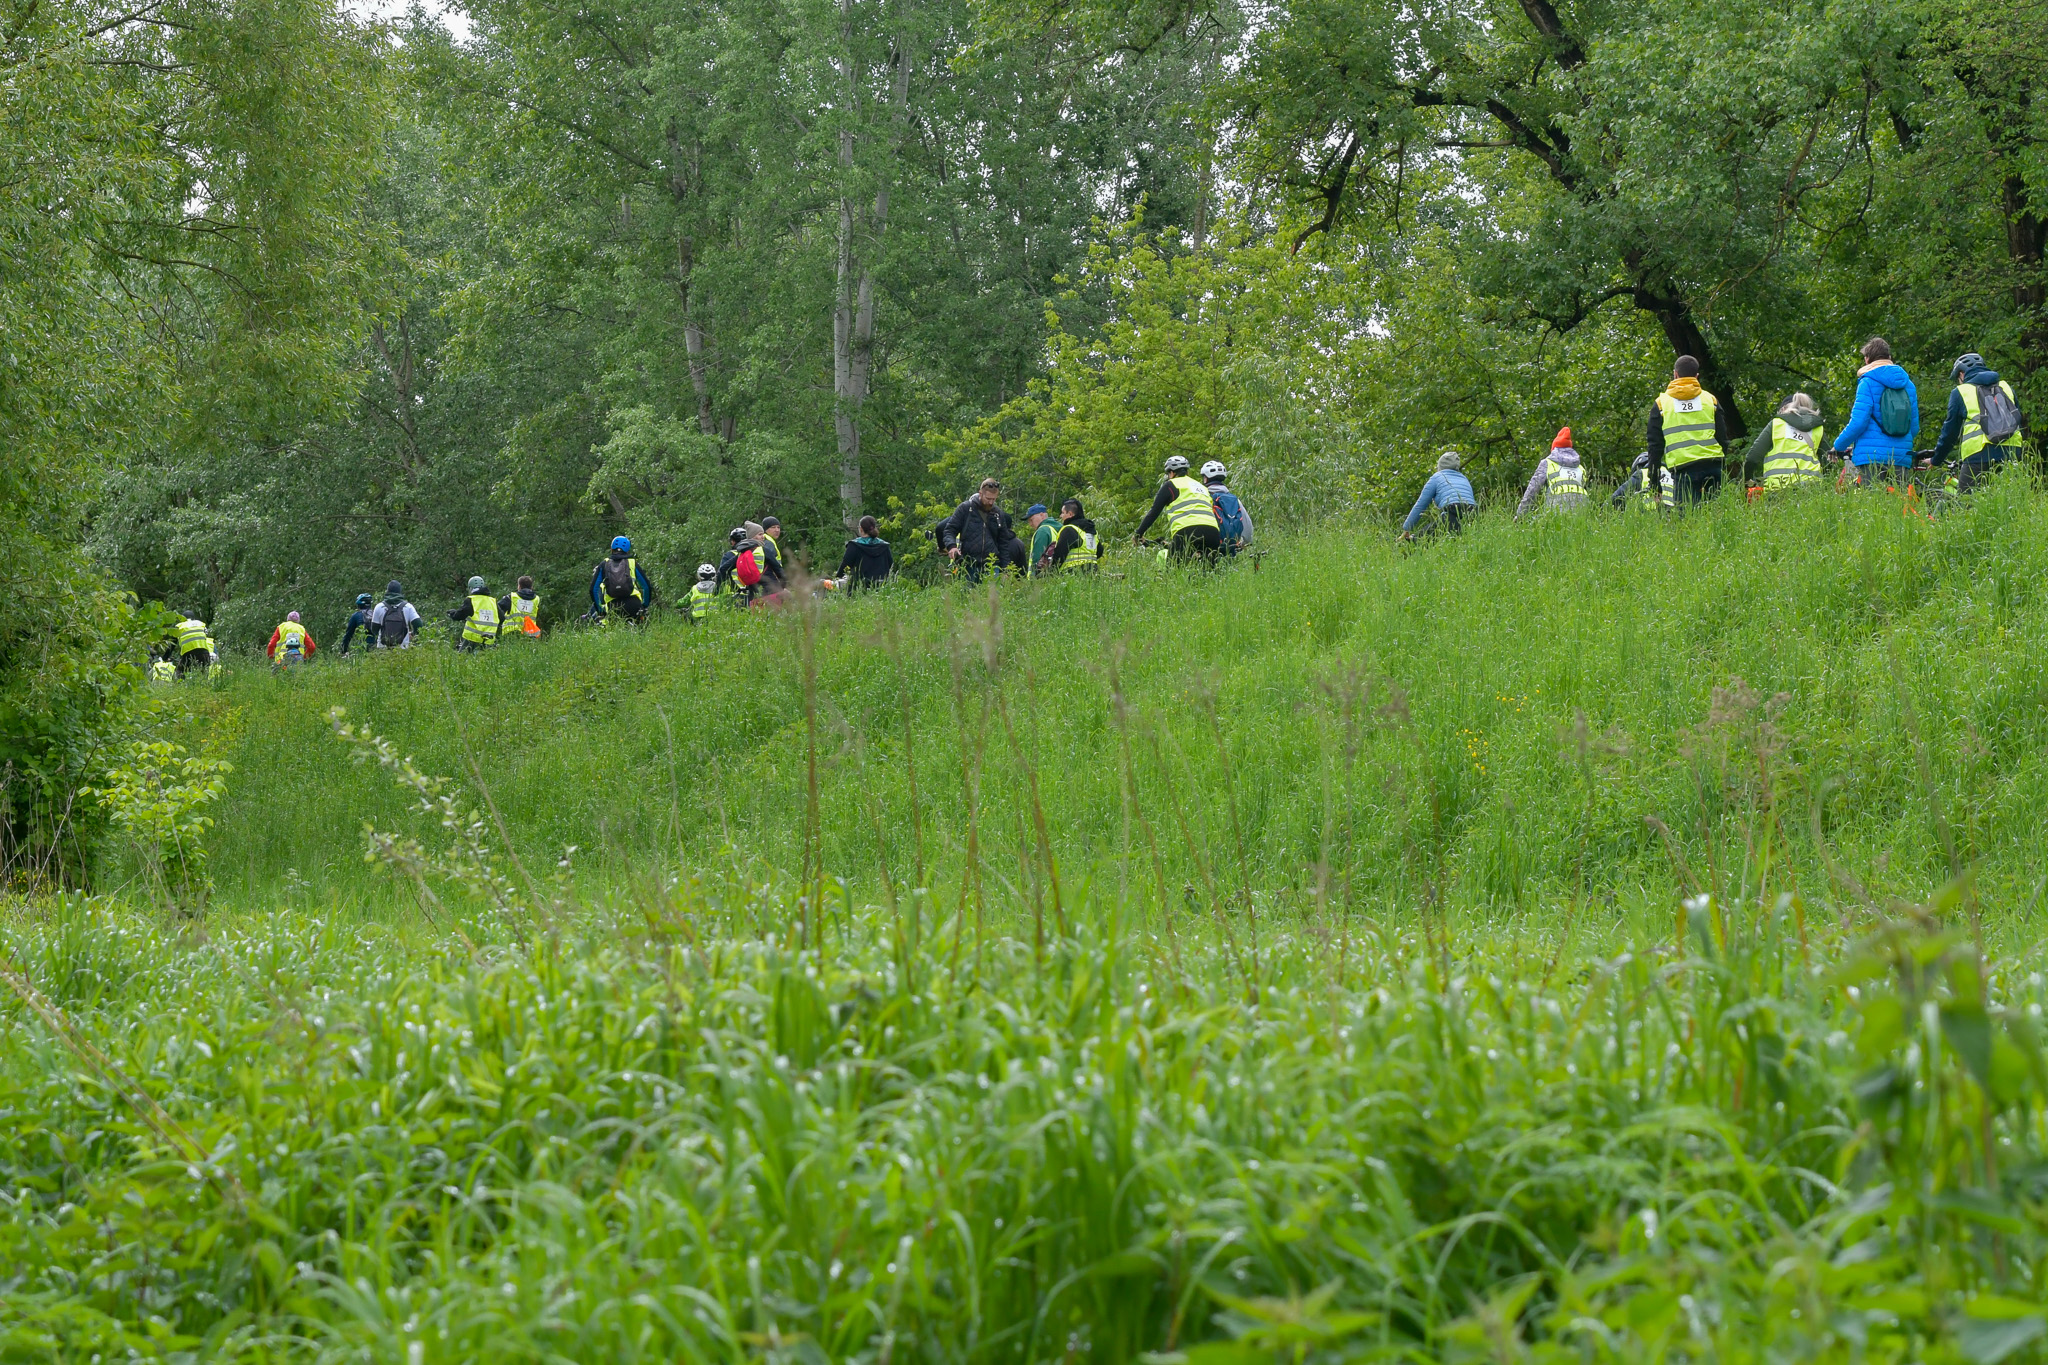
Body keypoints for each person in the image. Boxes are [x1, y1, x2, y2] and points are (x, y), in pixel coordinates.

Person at [1929, 352, 2027, 494]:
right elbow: (2018, 420)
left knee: (1966, 502)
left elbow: (1950, 432)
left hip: (1978, 455)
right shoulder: (2006, 387)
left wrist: (1936, 459)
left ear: (1961, 374)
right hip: (2011, 453)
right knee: (2010, 501)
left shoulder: (1961, 392)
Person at [1831, 337, 1919, 488]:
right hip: (1901, 457)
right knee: (1900, 501)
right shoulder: (1908, 385)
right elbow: (1914, 427)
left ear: (1867, 359)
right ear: (1889, 357)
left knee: (1873, 500)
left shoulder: (1867, 382)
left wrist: (1838, 446)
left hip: (1871, 458)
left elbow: (1858, 422)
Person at [1648, 356, 1733, 504]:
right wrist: (1721, 464)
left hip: (1683, 470)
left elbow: (1655, 447)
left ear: (1675, 374)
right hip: (1713, 465)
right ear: (1696, 376)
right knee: (1716, 514)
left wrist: (1655, 484)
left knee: (1687, 517)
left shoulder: (1661, 404)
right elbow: (1723, 438)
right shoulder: (1710, 400)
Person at [1131, 455, 1222, 562]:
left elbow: (1153, 512)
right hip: (1212, 532)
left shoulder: (1170, 485)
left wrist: (1138, 534)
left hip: (1186, 531)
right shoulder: (1202, 487)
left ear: (1172, 473)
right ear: (1187, 472)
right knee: (1210, 569)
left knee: (1174, 569)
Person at [938, 477, 1027, 581]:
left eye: (994, 499)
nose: (991, 502)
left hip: (992, 566)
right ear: (980, 494)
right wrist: (952, 546)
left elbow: (1003, 543)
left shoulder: (998, 514)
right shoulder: (966, 509)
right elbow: (949, 530)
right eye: (988, 499)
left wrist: (1006, 569)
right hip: (968, 565)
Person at [1743, 392, 1827, 492]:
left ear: (1783, 409)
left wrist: (1748, 484)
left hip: (1777, 489)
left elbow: (1752, 458)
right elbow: (1829, 460)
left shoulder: (1776, 424)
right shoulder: (1818, 428)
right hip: (1811, 489)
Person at [1401, 451, 1478, 538]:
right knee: (1458, 537)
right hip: (1472, 512)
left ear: (1440, 466)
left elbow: (1421, 505)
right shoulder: (1464, 478)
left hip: (1451, 510)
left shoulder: (1436, 477)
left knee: (1423, 538)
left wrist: (1407, 528)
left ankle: (1412, 541)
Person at [1516, 428, 1587, 517]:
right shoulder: (1580, 467)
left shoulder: (1547, 463)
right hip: (1582, 510)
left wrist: (1520, 515)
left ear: (1554, 449)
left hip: (1557, 510)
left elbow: (1532, 490)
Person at [591, 535, 655, 622]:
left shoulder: (604, 564)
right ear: (627, 550)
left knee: (615, 630)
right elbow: (647, 586)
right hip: (634, 605)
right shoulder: (632, 562)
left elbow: (593, 589)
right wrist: (644, 606)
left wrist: (600, 610)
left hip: (613, 607)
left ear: (611, 549)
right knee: (641, 629)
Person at [1202, 462, 1254, 555]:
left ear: (1205, 479)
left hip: (1207, 549)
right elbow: (1248, 528)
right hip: (1231, 549)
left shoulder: (1203, 497)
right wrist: (1243, 543)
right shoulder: (1234, 499)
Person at [1043, 498, 1103, 570]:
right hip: (1093, 571)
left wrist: (1051, 571)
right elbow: (1099, 551)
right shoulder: (1090, 531)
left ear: (1070, 514)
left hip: (1072, 571)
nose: (1061, 516)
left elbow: (1059, 555)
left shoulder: (1069, 530)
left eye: (1063, 513)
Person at [836, 515, 895, 587]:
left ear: (861, 529)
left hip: (859, 586)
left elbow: (845, 566)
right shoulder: (884, 546)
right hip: (881, 586)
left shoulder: (854, 545)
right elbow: (891, 566)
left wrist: (837, 577)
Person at [1609, 452, 1675, 512]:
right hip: (1675, 514)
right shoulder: (1672, 474)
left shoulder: (1641, 473)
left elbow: (1617, 496)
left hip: (1651, 513)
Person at [449, 576, 501, 650]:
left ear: (470, 588)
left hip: (472, 639)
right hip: (489, 641)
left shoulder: (471, 600)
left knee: (463, 656)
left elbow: (459, 615)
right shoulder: (493, 601)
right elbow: (502, 618)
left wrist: (452, 613)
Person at [369, 582, 420, 648]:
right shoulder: (408, 607)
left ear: (387, 591)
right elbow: (419, 625)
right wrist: (412, 634)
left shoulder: (379, 607)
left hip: (383, 649)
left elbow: (374, 630)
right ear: (400, 592)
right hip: (402, 649)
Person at [1024, 505, 1054, 575]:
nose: (1030, 524)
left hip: (1042, 577)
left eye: (1031, 520)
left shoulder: (1042, 531)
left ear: (1042, 515)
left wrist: (1034, 576)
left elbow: (1038, 559)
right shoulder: (1055, 528)